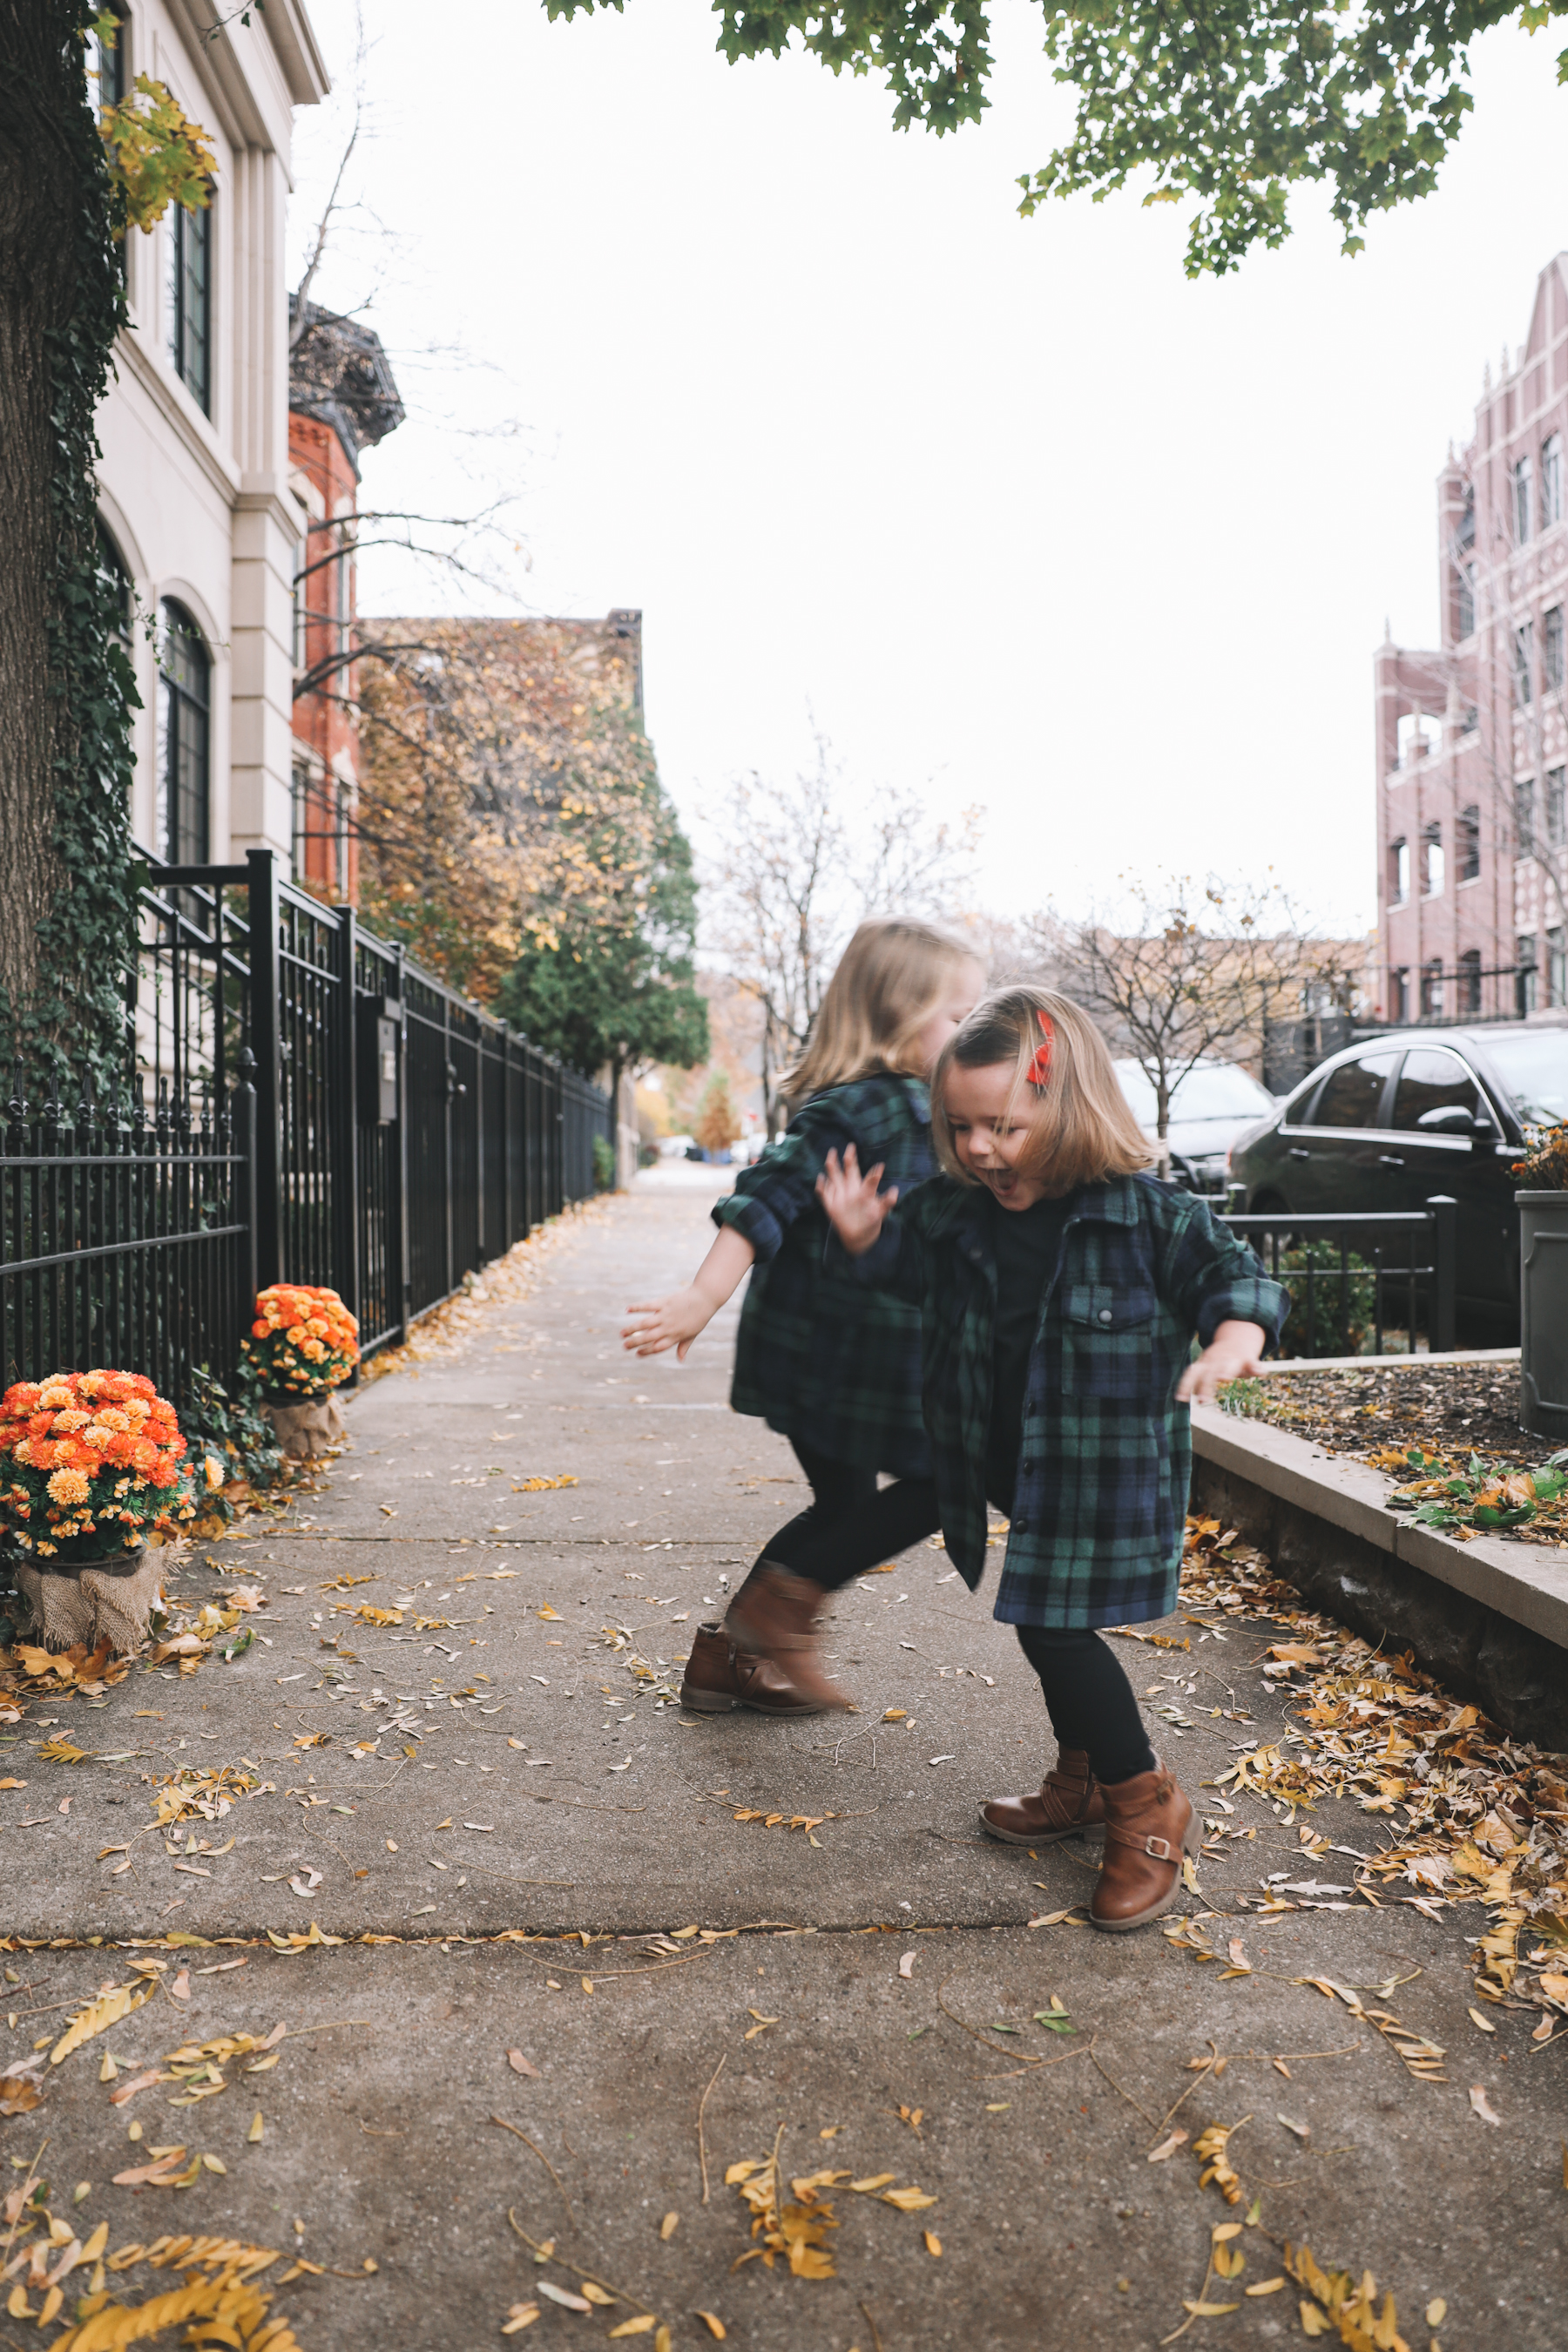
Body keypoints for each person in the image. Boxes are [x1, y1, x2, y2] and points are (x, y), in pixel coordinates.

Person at [816, 987, 1287, 1931]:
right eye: (963, 1127)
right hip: (999, 1460)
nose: (983, 1148)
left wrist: (1235, 1339)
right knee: (1048, 1623)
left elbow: (1237, 1278)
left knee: (1052, 1628)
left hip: (1098, 1470)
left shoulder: (1150, 1217)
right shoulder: (954, 1214)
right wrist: (864, 1241)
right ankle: (1080, 1780)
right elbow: (901, 1282)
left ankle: (1144, 1803)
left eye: (1006, 1126)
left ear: (1068, 1109)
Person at [621, 917, 983, 1715]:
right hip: (831, 1364)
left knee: (847, 1506)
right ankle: (779, 1611)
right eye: (960, 1017)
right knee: (941, 1482)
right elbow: (762, 1200)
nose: (975, 1033)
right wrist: (701, 1298)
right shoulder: (856, 1111)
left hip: (865, 1362)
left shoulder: (938, 1111)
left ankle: (727, 1658)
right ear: (897, 1014)